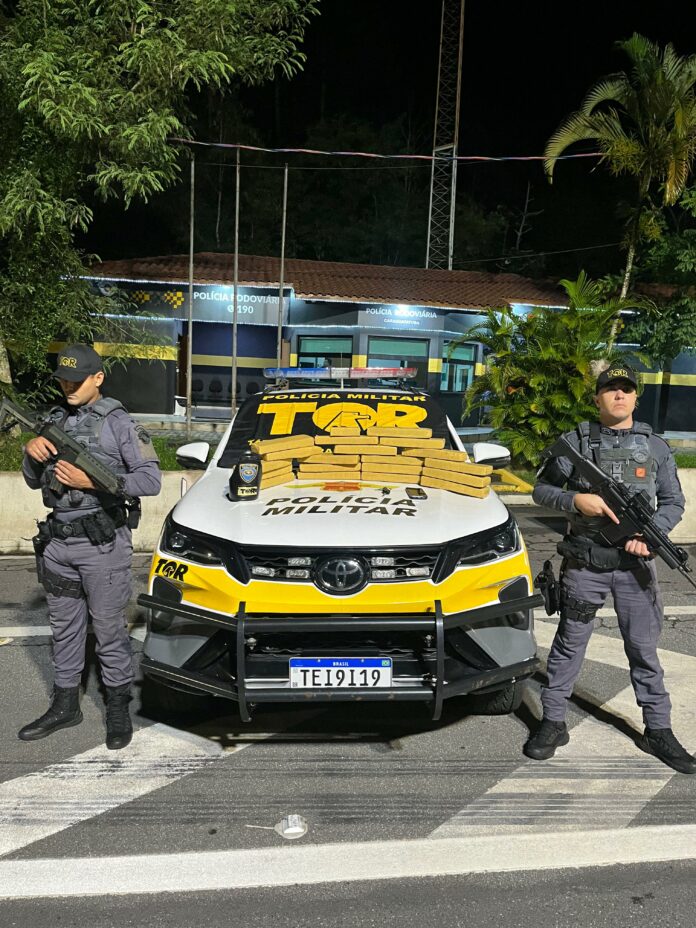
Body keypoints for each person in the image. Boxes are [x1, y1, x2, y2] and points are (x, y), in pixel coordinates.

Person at [526, 364, 696, 774]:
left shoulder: (655, 447)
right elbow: (540, 490)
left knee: (643, 650)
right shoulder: (576, 443)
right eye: (610, 389)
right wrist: (575, 502)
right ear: (598, 398)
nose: (619, 395)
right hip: (586, 563)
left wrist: (652, 537)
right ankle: (552, 722)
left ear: (636, 397)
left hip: (634, 568)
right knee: (569, 647)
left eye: (626, 389)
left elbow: (673, 502)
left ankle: (658, 729)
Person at [18, 344, 161, 750]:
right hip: (58, 544)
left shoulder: (120, 424)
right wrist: (30, 455)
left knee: (110, 631)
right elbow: (33, 480)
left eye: (76, 380)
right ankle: (66, 704)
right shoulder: (56, 419)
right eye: (63, 380)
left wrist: (92, 482)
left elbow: (150, 482)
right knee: (64, 630)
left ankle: (117, 707)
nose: (68, 386)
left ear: (98, 378)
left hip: (102, 545)